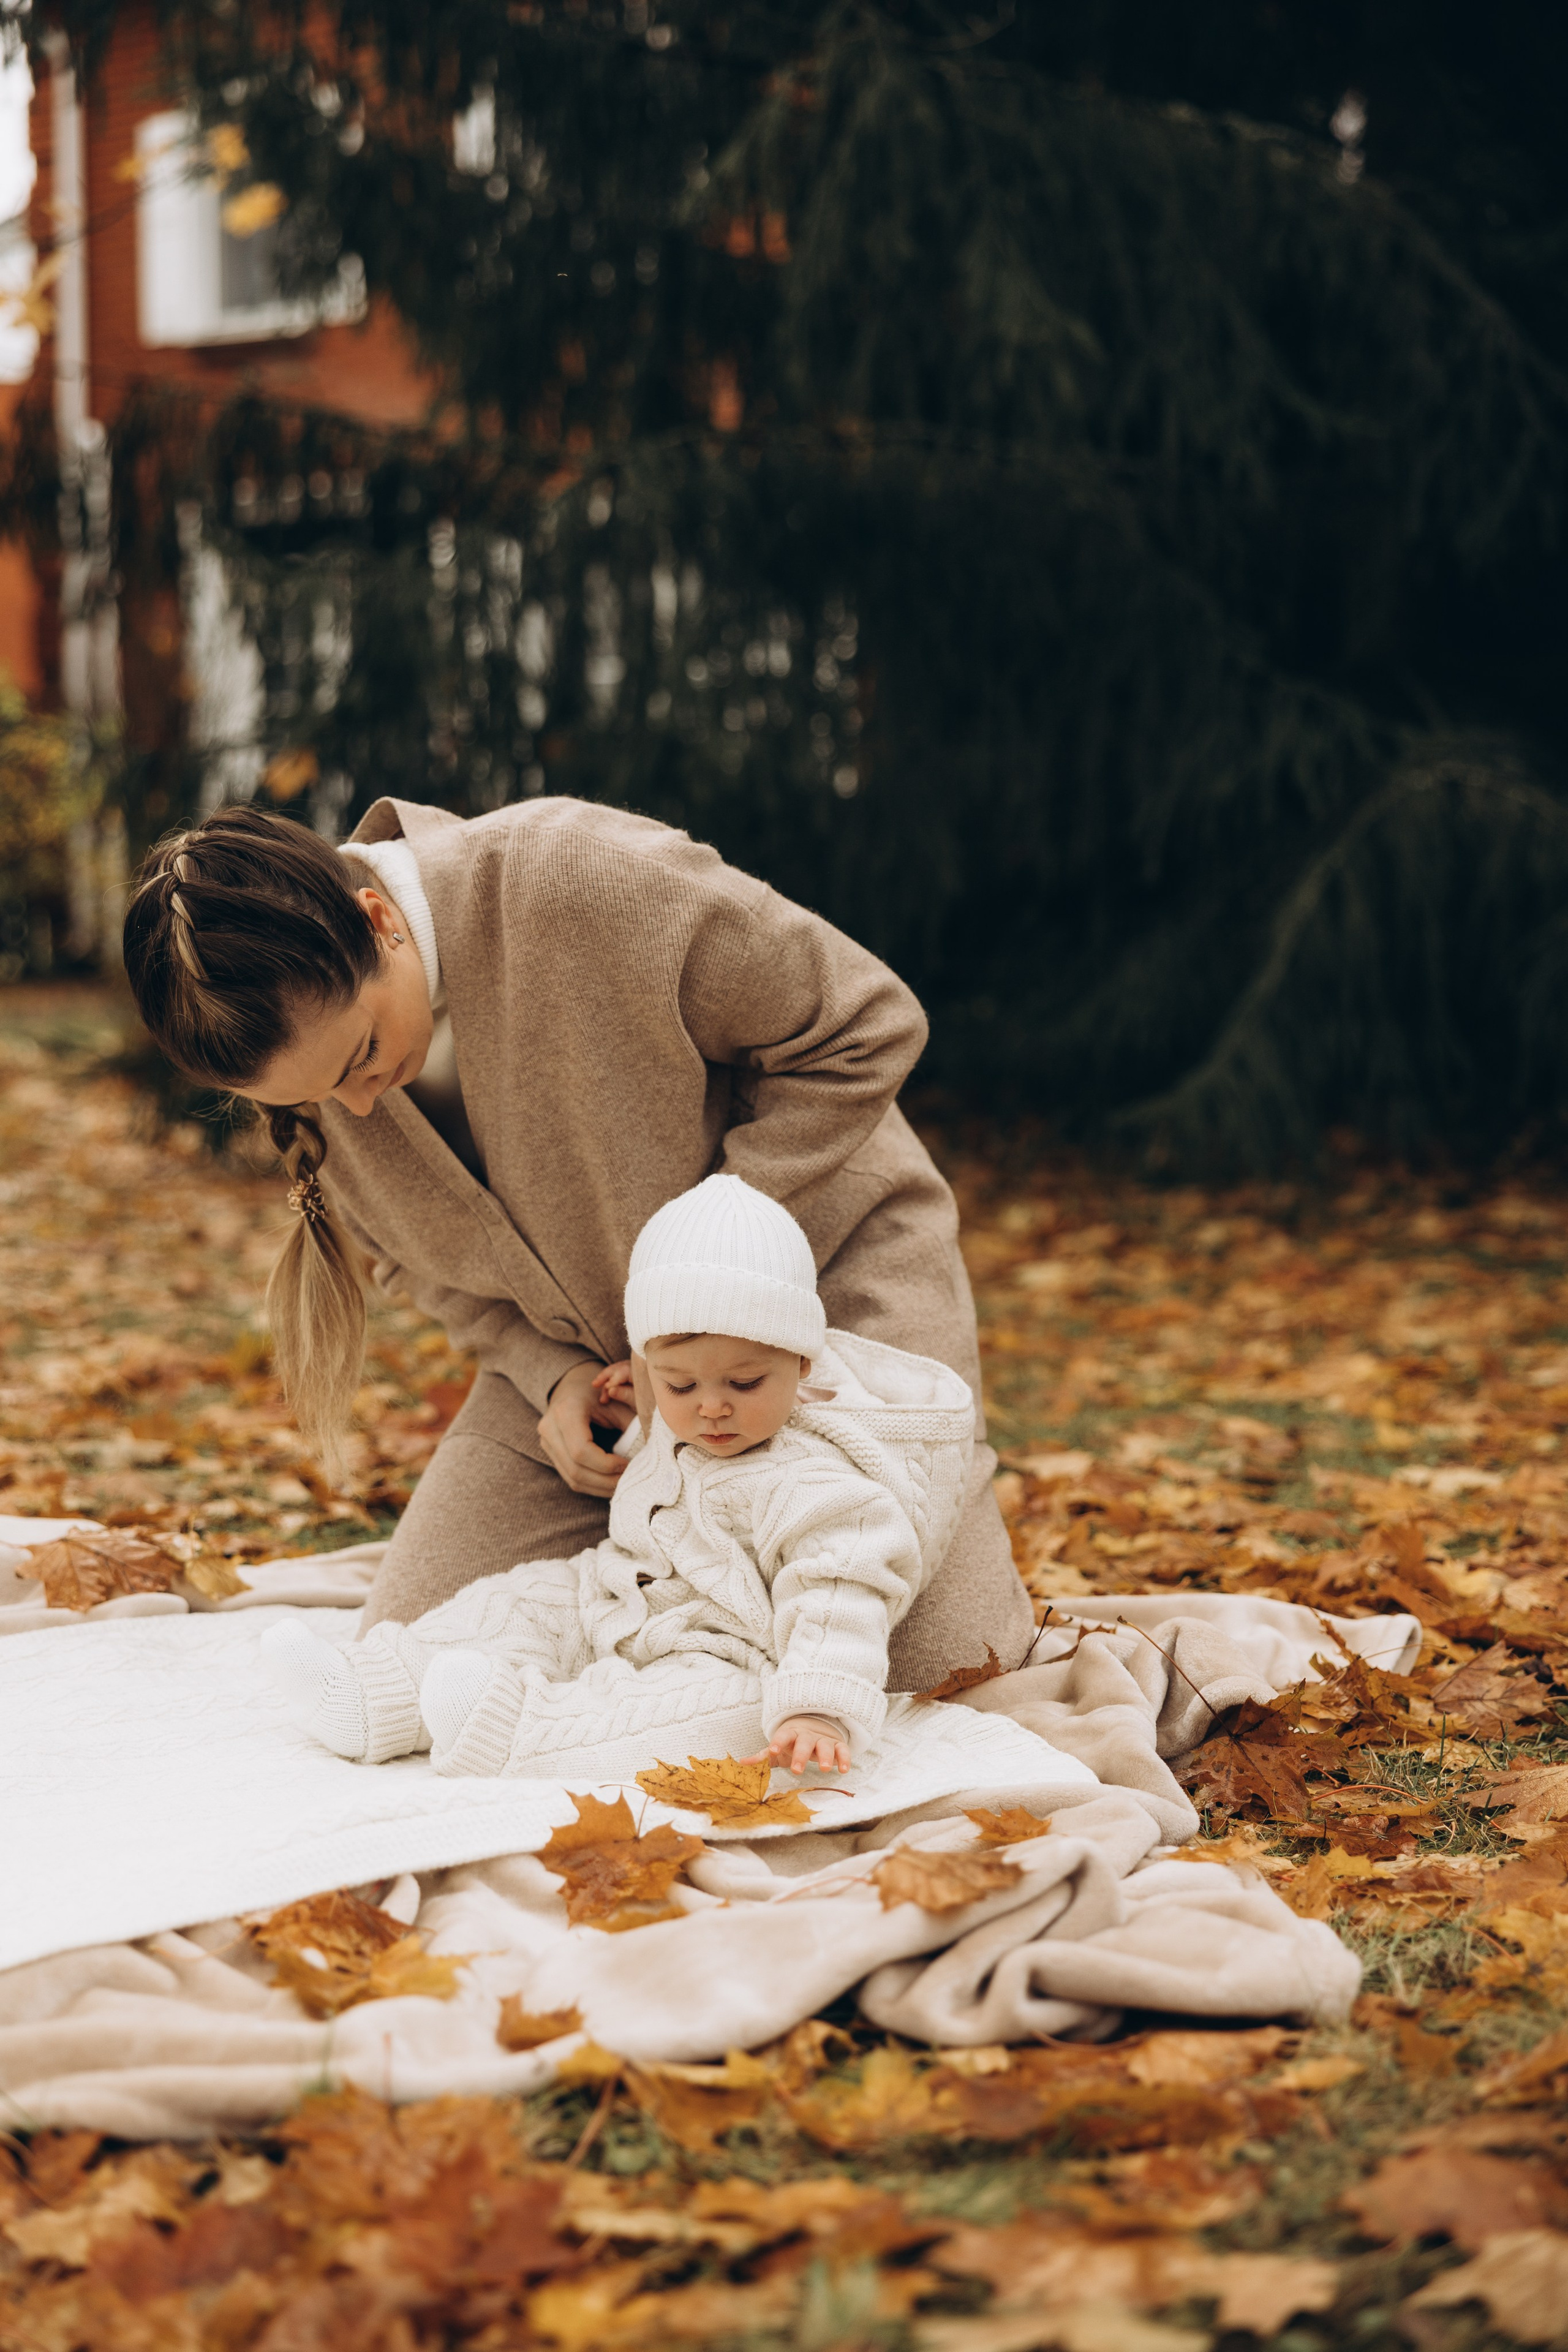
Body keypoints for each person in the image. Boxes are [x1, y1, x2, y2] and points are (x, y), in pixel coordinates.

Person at [120, 793, 1033, 1690]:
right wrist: (549, 1375)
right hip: (605, 1373)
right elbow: (410, 1257)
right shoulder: (324, 1072)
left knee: (922, 1672)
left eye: (361, 1056)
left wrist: (698, 1282)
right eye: (316, 1097)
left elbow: (865, 1024)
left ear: (378, 921)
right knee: (416, 1656)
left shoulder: (580, 878)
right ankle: (681, 1561)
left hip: (828, 1294)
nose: (359, 1108)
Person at [261, 1175, 976, 1779]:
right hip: (611, 1597)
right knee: (518, 1603)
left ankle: (521, 1731)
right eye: (680, 1384)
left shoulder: (824, 1484)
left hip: (726, 1649)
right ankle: (379, 1693)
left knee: (697, 1710)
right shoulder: (683, 1422)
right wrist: (643, 1419)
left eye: (744, 1382)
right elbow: (681, 1471)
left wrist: (819, 1706)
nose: (711, 1407)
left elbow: (839, 1594)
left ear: (802, 1364)